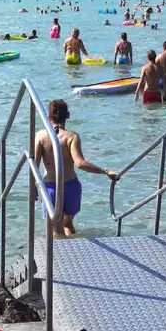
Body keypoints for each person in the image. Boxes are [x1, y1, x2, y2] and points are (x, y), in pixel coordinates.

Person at [34, 100, 117, 238]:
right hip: (70, 186)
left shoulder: (40, 136)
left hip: (50, 188)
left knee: (56, 230)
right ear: (68, 115)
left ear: (49, 117)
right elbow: (80, 163)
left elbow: (34, 165)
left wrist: (33, 188)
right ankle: (72, 249)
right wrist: (105, 171)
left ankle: (59, 257)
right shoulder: (71, 137)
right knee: (68, 224)